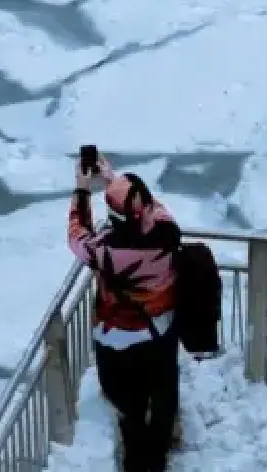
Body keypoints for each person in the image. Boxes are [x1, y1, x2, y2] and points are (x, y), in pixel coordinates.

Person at [67, 156, 182, 472]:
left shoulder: (105, 251)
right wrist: (115, 182)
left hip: (117, 339)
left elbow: (77, 235)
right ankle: (157, 456)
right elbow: (150, 207)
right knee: (162, 391)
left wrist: (82, 190)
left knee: (128, 405)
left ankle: (135, 458)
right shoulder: (167, 233)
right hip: (160, 330)